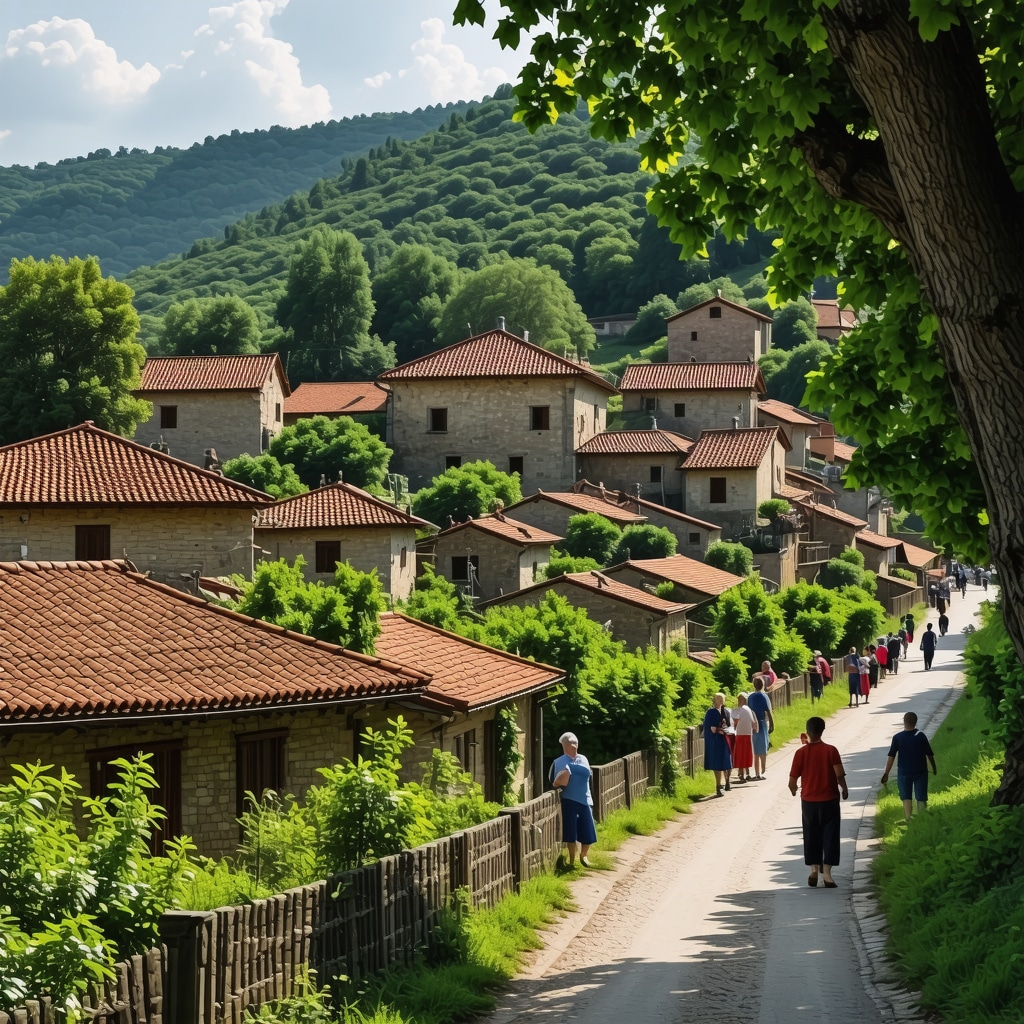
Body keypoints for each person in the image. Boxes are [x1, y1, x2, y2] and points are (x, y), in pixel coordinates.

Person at [789, 716, 848, 888]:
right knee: (830, 835)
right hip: (829, 799)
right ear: (823, 731)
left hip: (809, 801)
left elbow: (792, 781)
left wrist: (794, 791)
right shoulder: (831, 751)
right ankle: (828, 874)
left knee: (811, 834)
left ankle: (814, 870)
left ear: (807, 732)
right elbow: (839, 774)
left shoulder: (801, 753)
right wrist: (844, 789)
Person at [549, 732, 597, 867]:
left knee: (587, 829)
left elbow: (588, 776)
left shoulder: (583, 759)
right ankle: (571, 859)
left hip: (585, 799)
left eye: (576, 744)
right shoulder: (558, 762)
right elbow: (553, 781)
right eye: (571, 744)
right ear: (564, 745)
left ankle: (584, 855)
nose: (574, 746)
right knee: (571, 831)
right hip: (568, 800)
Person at [880, 712, 937, 820]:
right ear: (916, 722)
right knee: (921, 797)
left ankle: (908, 819)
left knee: (906, 797)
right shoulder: (921, 736)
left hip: (904, 772)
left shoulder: (897, 737)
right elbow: (929, 754)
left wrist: (886, 773)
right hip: (920, 771)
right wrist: (934, 768)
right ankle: (922, 819)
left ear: (904, 721)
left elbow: (891, 756)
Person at [703, 693, 733, 797]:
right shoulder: (711, 712)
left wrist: (727, 732)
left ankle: (727, 782)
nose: (720, 701)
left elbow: (729, 725)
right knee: (717, 764)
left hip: (725, 740)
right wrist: (721, 731)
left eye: (722, 699)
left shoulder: (725, 712)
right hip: (716, 742)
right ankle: (718, 786)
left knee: (727, 761)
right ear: (714, 700)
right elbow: (712, 729)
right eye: (718, 699)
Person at [747, 676, 775, 780]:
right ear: (763, 685)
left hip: (753, 724)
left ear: (754, 685)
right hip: (762, 723)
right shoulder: (764, 696)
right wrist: (772, 724)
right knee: (763, 747)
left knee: (755, 750)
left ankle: (757, 773)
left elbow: (749, 711)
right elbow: (768, 711)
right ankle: (763, 769)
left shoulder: (750, 697)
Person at [732, 693, 758, 783]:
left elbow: (753, 722)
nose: (739, 702)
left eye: (740, 700)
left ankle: (746, 773)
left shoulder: (744, 710)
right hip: (741, 734)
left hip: (745, 735)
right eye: (738, 700)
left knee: (745, 754)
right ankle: (742, 773)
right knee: (741, 754)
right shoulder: (743, 710)